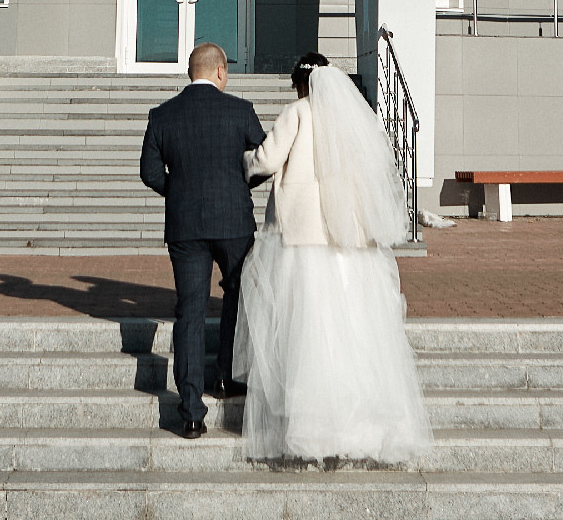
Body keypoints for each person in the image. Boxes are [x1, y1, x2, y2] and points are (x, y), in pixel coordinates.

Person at [236, 50, 433, 465]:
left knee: (309, 325)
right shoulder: (350, 123)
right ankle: (359, 425)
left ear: (300, 83)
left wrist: (242, 160)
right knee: (351, 327)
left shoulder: (298, 112)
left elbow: (268, 160)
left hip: (305, 235)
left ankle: (312, 426)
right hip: (347, 237)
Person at [138, 40, 264, 439]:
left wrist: (179, 190)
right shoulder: (240, 111)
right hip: (234, 223)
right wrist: (239, 182)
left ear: (190, 72)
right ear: (221, 72)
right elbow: (263, 161)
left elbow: (149, 172)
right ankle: (226, 375)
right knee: (237, 298)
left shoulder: (162, 115)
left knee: (189, 312)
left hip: (185, 225)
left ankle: (191, 411)